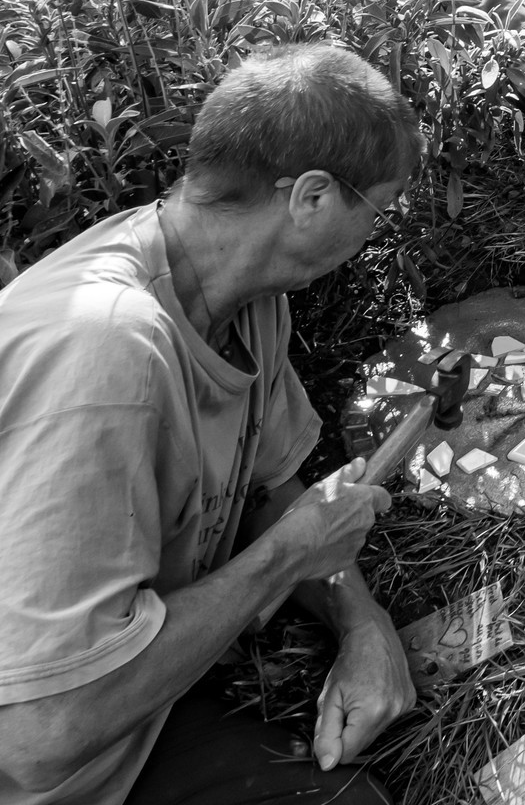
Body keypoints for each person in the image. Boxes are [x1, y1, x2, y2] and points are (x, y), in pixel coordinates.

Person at [0, 44, 420, 805]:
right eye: (378, 212)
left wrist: (362, 623)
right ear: (313, 198)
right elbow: (36, 740)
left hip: (135, 724)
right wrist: (287, 557)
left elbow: (274, 490)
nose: (373, 236)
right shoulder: (105, 357)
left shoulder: (244, 293)